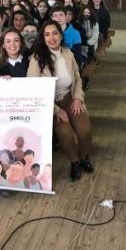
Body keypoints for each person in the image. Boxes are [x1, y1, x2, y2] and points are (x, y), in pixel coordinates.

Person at [27, 21, 94, 181]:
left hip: (70, 98)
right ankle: (75, 161)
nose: (52, 38)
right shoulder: (36, 59)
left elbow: (78, 78)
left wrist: (78, 98)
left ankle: (84, 157)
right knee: (65, 133)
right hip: (50, 104)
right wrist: (56, 110)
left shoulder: (67, 53)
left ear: (61, 35)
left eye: (55, 33)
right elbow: (34, 90)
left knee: (84, 130)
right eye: (47, 34)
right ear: (43, 38)